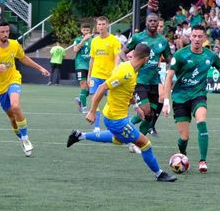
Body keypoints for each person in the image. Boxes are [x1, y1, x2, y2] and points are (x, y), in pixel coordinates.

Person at [66, 43, 176, 182]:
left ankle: (79, 136)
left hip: (115, 116)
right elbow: (101, 88)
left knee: (117, 139)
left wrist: (136, 107)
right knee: (145, 144)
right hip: (116, 119)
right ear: (146, 58)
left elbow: (128, 91)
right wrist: (92, 111)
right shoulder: (125, 72)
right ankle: (159, 174)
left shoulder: (132, 70)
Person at [162, 24, 220, 174]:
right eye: (194, 36)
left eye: (200, 36)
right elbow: (169, 78)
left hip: (198, 95)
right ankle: (183, 154)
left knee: (201, 120)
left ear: (204, 38)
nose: (197, 39)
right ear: (190, 37)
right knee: (184, 137)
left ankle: (202, 161)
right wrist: (166, 102)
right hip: (179, 98)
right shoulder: (180, 55)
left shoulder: (210, 56)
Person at [0, 19, 49, 157]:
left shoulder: (15, 44)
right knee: (12, 118)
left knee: (16, 106)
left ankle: (26, 139)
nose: (5, 34)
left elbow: (23, 58)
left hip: (13, 79)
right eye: (2, 32)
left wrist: (40, 68)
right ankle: (21, 138)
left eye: (7, 31)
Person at [124, 14, 171, 144]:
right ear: (146, 22)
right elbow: (122, 52)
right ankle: (126, 126)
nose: (153, 23)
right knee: (145, 110)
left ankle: (138, 143)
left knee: (150, 115)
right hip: (139, 81)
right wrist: (129, 66)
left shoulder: (163, 41)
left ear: (158, 24)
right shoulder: (138, 38)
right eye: (150, 21)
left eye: (155, 21)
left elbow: (169, 59)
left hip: (154, 81)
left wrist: (176, 66)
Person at [87, 16, 121, 133]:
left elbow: (117, 56)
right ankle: (96, 127)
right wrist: (89, 75)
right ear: (96, 26)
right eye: (99, 24)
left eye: (103, 24)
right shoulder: (94, 41)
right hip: (96, 76)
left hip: (109, 77)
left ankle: (110, 126)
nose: (101, 27)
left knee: (110, 103)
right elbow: (92, 59)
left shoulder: (114, 40)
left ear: (107, 25)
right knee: (94, 100)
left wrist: (115, 70)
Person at [72, 23, 94, 114]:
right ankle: (84, 108)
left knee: (89, 89)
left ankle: (80, 99)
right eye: (84, 30)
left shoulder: (94, 40)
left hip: (90, 66)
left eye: (87, 30)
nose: (86, 32)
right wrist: (83, 41)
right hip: (80, 65)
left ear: (90, 31)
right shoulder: (77, 39)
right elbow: (75, 50)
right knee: (83, 85)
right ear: (81, 30)